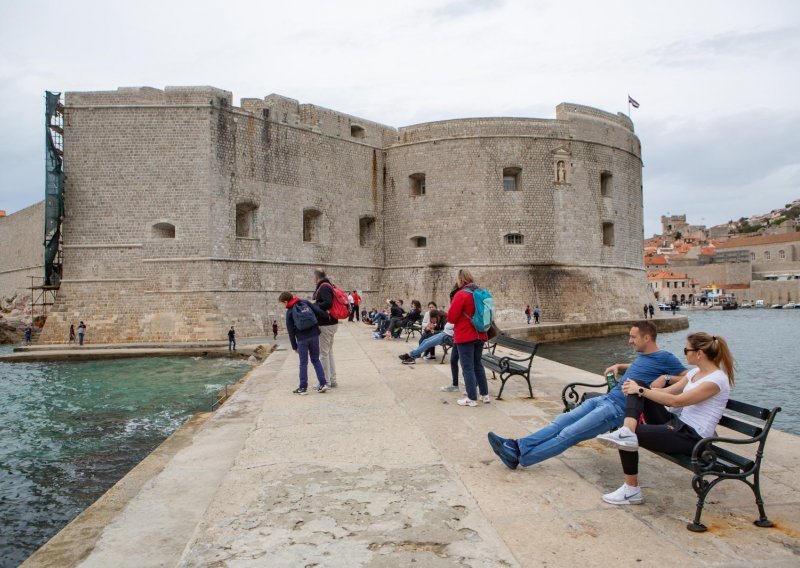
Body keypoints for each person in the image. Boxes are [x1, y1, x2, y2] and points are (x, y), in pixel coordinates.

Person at [487, 320, 687, 469]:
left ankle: (522, 457)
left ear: (647, 338)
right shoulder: (643, 356)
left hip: (617, 410)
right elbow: (639, 368)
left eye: (633, 337)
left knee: (568, 435)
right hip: (605, 399)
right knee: (560, 422)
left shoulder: (665, 358)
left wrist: (666, 378)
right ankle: (517, 446)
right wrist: (620, 365)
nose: (629, 341)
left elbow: (690, 376)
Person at [595, 332, 734, 505]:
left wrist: (640, 391)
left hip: (694, 438)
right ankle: (627, 430)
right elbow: (667, 392)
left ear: (699, 353)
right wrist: (638, 388)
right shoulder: (695, 373)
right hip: (679, 426)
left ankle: (631, 490)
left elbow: (676, 401)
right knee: (638, 382)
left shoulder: (716, 380)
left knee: (632, 432)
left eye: (686, 349)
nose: (685, 353)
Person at [447, 269, 490, 407]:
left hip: (465, 335)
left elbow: (451, 317)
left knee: (467, 366)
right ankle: (485, 395)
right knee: (478, 364)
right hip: (480, 333)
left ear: (461, 279)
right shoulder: (480, 292)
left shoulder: (462, 294)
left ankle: (471, 398)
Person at [279, 291, 328, 395]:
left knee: (303, 363)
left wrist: (294, 346)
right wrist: (327, 317)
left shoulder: (290, 312)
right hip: (314, 335)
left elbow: (291, 332)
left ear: (286, 301)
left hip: (302, 339)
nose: (283, 306)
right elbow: (318, 311)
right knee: (316, 360)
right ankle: (323, 384)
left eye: (282, 304)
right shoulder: (305, 302)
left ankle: (303, 388)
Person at [312, 269, 339, 388]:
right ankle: (332, 380)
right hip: (331, 322)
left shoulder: (323, 287)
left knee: (323, 354)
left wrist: (314, 305)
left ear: (317, 277)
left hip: (325, 324)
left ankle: (325, 382)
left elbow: (328, 303)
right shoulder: (329, 285)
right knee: (329, 353)